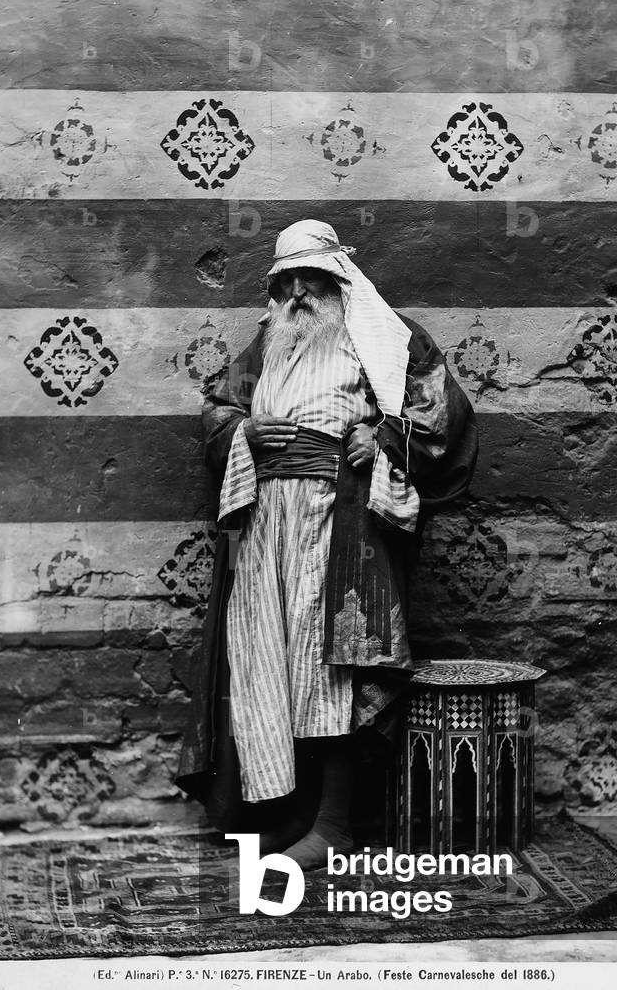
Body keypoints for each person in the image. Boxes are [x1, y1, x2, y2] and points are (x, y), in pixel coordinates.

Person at [175, 219, 478, 869]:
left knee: (332, 672)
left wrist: (384, 436)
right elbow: (218, 408)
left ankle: (335, 823)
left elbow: (442, 415)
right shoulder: (268, 341)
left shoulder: (384, 337)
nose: (298, 293)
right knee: (272, 667)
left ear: (339, 278)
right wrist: (245, 434)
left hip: (342, 526)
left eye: (311, 279)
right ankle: (287, 813)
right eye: (286, 282)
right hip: (266, 530)